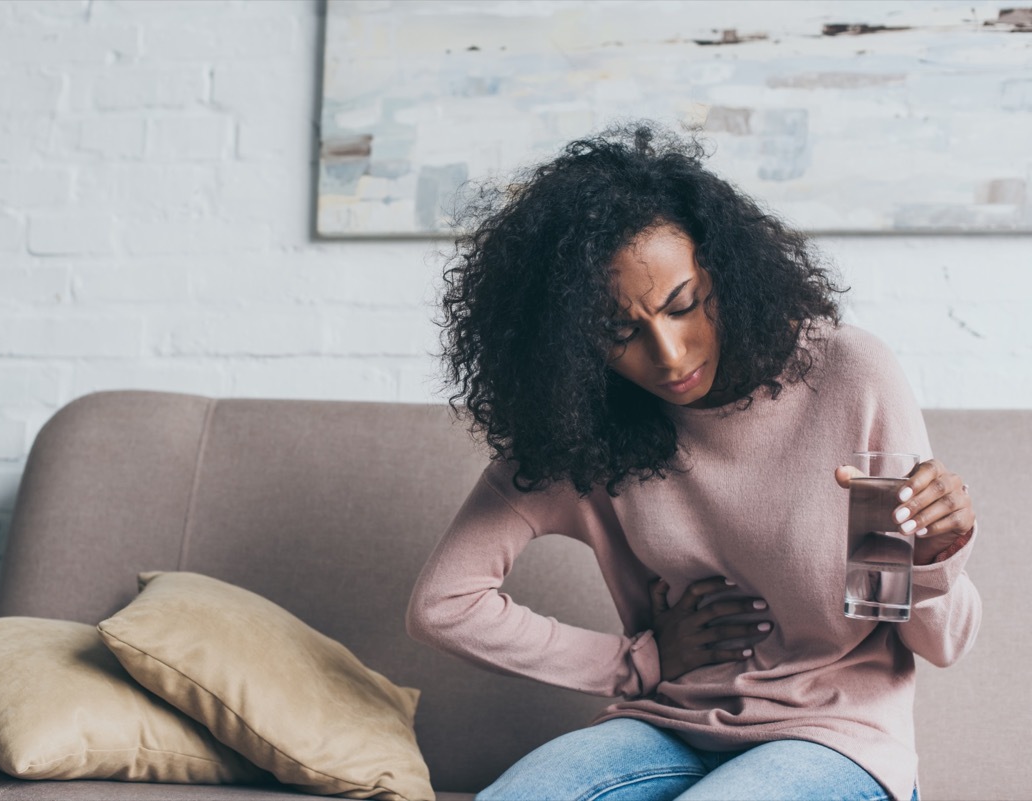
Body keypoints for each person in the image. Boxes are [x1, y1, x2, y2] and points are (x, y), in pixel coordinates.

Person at [405, 123, 980, 801]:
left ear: (724, 272)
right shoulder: (588, 430)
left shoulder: (849, 377)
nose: (670, 355)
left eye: (684, 305)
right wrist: (634, 662)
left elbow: (941, 644)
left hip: (836, 738)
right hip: (665, 724)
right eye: (620, 332)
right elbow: (443, 605)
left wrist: (935, 556)